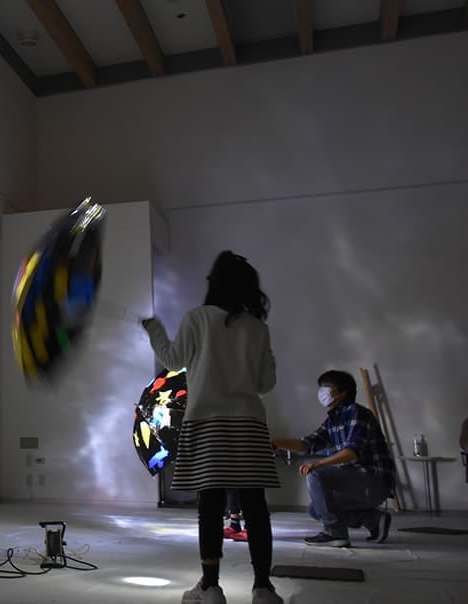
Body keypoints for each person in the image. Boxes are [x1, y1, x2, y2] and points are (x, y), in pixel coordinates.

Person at [143, 250, 281, 604]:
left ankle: (211, 587)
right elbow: (266, 383)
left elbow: (173, 359)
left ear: (215, 283)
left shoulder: (197, 318)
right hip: (248, 424)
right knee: (255, 506)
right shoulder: (258, 328)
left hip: (206, 423)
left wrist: (154, 330)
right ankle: (263, 587)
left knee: (210, 506)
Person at [272, 370, 395, 547]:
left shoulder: (358, 413)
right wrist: (276, 443)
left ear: (343, 392)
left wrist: (318, 464)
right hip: (358, 481)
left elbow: (352, 452)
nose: (322, 392)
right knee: (316, 509)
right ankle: (374, 520)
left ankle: (335, 533)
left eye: (327, 388)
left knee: (316, 474)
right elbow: (307, 444)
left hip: (375, 480)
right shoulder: (333, 420)